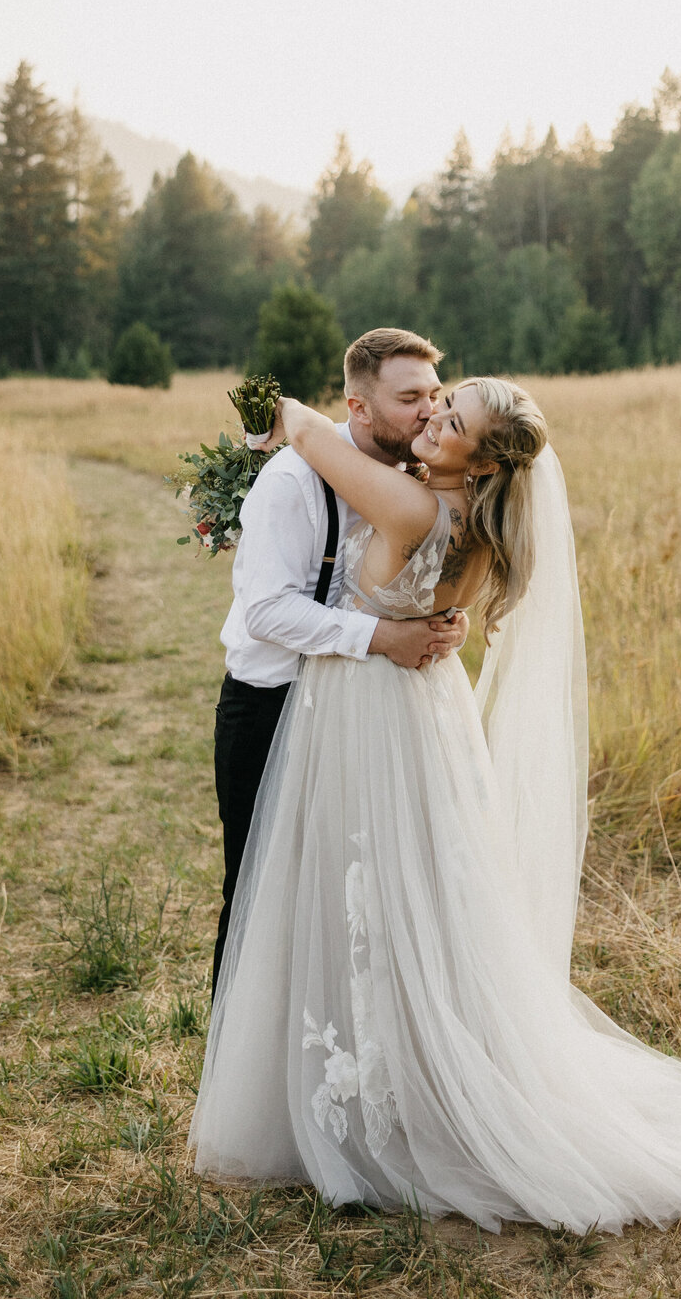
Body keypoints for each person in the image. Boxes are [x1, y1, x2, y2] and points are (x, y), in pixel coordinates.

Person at [190, 377, 681, 1233]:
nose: (432, 418)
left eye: (449, 417)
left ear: (484, 458)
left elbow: (305, 432)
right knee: (406, 897)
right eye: (433, 403)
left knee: (367, 891)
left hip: (371, 715)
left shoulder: (415, 512)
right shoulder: (479, 527)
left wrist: (288, 414)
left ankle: (385, 1099)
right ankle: (396, 1069)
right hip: (425, 712)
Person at [211, 328, 469, 995]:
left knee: (347, 894)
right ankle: (238, 1075)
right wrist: (384, 636)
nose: (429, 412)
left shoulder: (419, 475)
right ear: (359, 407)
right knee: (258, 895)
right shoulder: (293, 480)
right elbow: (266, 612)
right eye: (410, 397)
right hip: (271, 712)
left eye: (434, 395)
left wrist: (443, 620)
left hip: (358, 716)